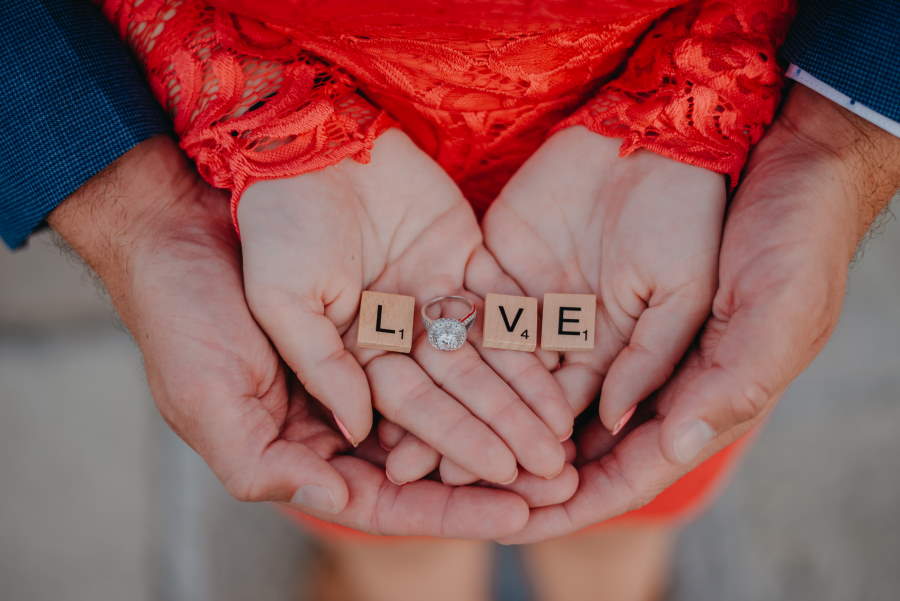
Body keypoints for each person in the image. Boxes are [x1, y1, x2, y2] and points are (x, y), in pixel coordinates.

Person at [2, 2, 898, 601]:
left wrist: (836, 142)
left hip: (665, 183)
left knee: (633, 481)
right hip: (287, 192)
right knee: (376, 491)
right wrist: (132, 210)